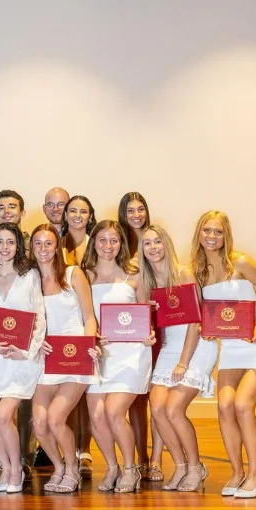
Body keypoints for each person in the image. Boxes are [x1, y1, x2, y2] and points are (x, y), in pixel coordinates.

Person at [192, 210, 256, 498]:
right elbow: (208, 313)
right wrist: (207, 328)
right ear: (199, 234)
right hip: (230, 346)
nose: (212, 237)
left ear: (226, 234)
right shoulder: (198, 271)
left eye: (218, 231)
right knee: (224, 406)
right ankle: (237, 471)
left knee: (243, 405)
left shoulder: (240, 262)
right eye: (207, 231)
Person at [139, 225, 217, 492]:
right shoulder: (148, 283)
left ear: (167, 244)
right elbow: (149, 325)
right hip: (170, 345)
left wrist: (183, 363)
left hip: (195, 345)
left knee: (173, 409)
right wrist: (148, 322)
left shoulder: (183, 273)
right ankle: (181, 466)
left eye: (157, 241)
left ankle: (196, 467)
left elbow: (196, 322)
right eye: (147, 243)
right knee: (158, 409)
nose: (153, 247)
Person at [82, 220, 155, 494]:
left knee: (114, 412)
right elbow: (82, 316)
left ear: (121, 244)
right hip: (98, 354)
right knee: (97, 416)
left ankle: (130, 468)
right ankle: (111, 466)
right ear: (94, 243)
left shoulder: (134, 276)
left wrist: (148, 333)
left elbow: (145, 316)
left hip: (130, 354)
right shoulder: (84, 277)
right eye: (102, 240)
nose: (108, 246)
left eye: (114, 240)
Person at [29, 224, 100, 494]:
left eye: (48, 243)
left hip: (75, 357)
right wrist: (37, 340)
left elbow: (89, 317)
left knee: (57, 418)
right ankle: (58, 467)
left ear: (57, 246)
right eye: (37, 243)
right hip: (45, 357)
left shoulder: (73, 274)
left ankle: (72, 468)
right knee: (39, 423)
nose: (43, 249)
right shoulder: (31, 280)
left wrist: (88, 344)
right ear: (31, 247)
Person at [0, 223, 47, 495]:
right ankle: (6, 466)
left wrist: (27, 350)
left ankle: (17, 467)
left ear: (18, 245)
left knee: (4, 415)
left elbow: (39, 316)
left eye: (10, 242)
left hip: (20, 358)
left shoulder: (29, 275)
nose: (4, 247)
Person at [117, 191, 161, 481]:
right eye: (130, 210)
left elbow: (169, 281)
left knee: (156, 395)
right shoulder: (117, 245)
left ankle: (155, 460)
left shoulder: (157, 241)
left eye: (140, 209)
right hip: (129, 327)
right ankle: (140, 456)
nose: (136, 214)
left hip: (157, 322)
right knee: (134, 398)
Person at [60, 195, 97, 266]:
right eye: (73, 211)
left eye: (83, 212)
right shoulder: (57, 245)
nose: (78, 215)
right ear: (65, 215)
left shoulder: (97, 246)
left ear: (90, 217)